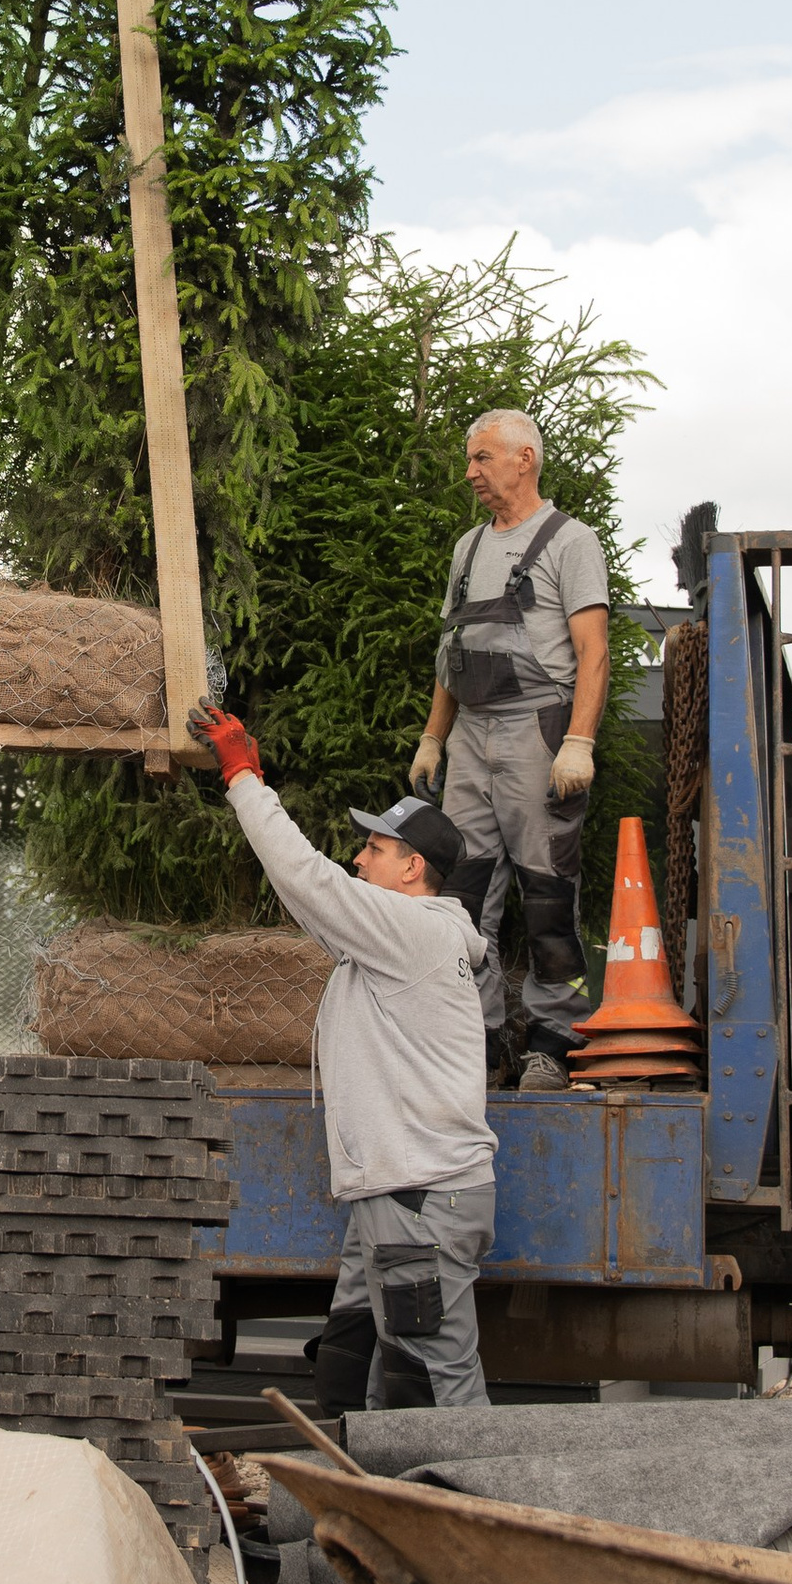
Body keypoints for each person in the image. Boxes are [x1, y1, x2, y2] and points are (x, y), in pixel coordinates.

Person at [190, 699, 500, 1411]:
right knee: (350, 1356)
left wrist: (244, 777)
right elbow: (312, 903)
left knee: (431, 1383)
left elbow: (309, 879)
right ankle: (337, 1509)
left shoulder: (414, 931)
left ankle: (476, 1512)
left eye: (375, 849)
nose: (358, 857)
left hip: (421, 1200)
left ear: (412, 868)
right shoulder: (393, 941)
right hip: (395, 1198)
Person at [408, 408, 611, 1092]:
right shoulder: (467, 549)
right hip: (471, 736)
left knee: (547, 891)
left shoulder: (570, 541)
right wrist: (434, 737)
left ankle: (553, 1038)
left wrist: (578, 741)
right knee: (464, 896)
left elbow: (594, 652)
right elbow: (451, 655)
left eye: (483, 458)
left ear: (525, 459)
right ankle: (482, 1039)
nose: (470, 473)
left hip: (538, 732)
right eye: (471, 460)